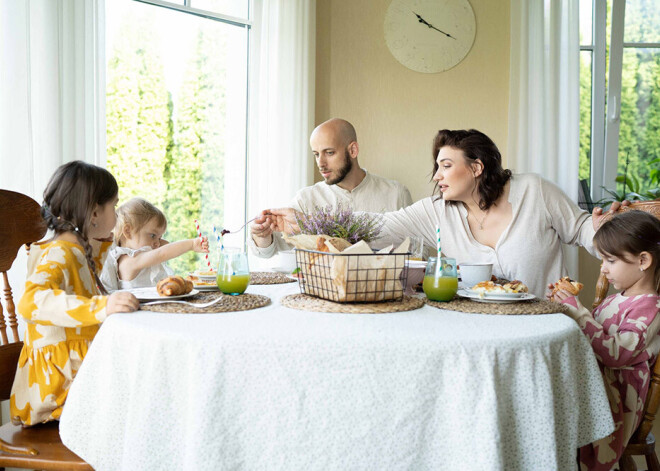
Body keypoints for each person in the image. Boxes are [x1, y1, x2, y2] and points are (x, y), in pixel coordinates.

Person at [260, 129, 626, 297]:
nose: (436, 176)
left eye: (446, 165)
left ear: (477, 168)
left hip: (546, 328)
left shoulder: (535, 191)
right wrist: (307, 223)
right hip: (476, 334)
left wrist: (614, 231)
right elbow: (375, 226)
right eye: (437, 166)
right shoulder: (436, 211)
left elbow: (583, 231)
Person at [10, 161, 140, 426]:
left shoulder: (77, 250)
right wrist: (100, 307)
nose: (116, 214)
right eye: (114, 206)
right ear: (94, 212)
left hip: (75, 380)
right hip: (56, 393)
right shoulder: (58, 254)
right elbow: (30, 303)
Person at [550, 210, 660, 470]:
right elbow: (589, 338)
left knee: (550, 396)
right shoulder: (615, 299)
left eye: (610, 260)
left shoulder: (650, 308)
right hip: (597, 385)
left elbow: (614, 354)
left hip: (614, 402)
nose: (603, 268)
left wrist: (577, 311)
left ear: (643, 260)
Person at [249, 118, 412, 258]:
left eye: (329, 152)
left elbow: (419, 252)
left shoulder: (396, 193)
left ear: (353, 150)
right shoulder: (306, 199)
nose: (321, 163)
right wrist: (262, 235)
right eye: (316, 154)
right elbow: (269, 250)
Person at [100, 197, 209, 291]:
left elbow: (166, 246)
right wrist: (192, 244)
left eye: (160, 237)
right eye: (152, 235)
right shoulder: (127, 261)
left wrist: (156, 239)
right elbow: (161, 254)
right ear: (128, 231)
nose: (158, 243)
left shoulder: (146, 252)